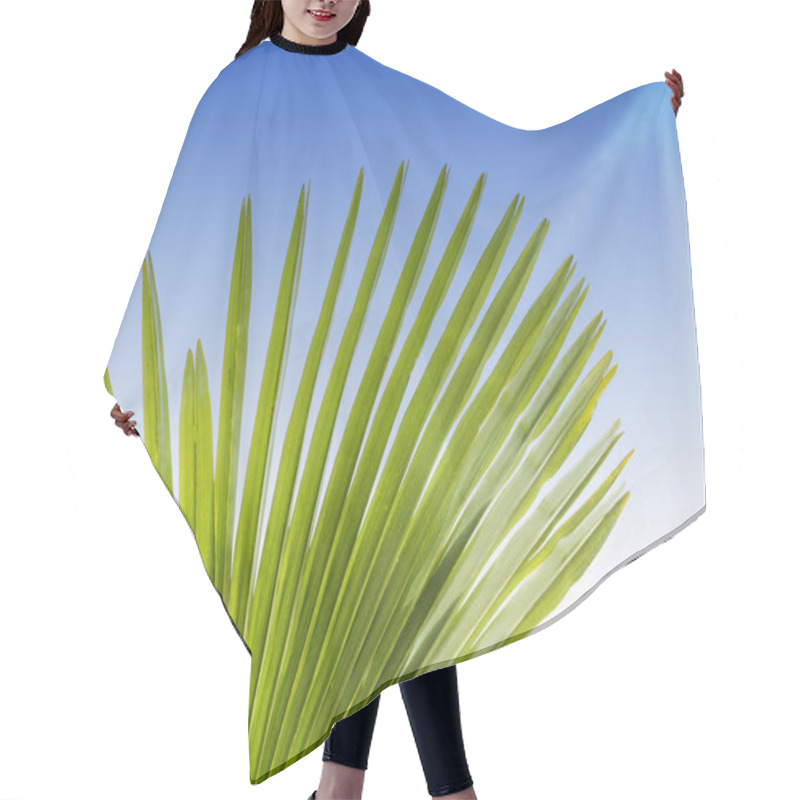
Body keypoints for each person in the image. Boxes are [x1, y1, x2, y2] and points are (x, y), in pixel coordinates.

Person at [110, 2, 685, 798]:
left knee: (401, 579)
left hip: (383, 384)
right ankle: (424, 791)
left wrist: (635, 126)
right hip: (295, 397)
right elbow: (189, 230)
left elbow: (497, 163)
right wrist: (144, 371)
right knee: (365, 586)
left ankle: (353, 790)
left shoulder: (375, 88)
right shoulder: (236, 93)